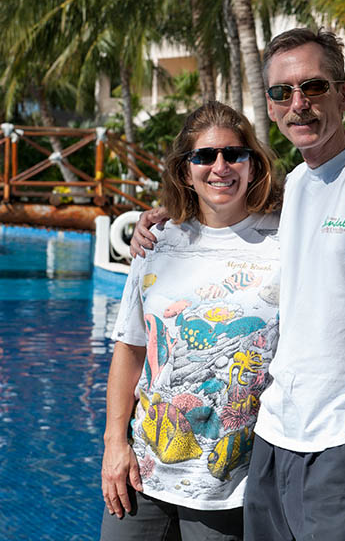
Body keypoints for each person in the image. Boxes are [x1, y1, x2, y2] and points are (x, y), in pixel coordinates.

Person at [132, 28, 345, 541]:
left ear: (343, 95)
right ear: (272, 108)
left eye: (314, 87)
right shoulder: (298, 184)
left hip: (344, 437)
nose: (298, 104)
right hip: (273, 436)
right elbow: (230, 200)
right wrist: (171, 213)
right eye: (282, 92)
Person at [100, 101, 283, 541]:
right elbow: (130, 349)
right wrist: (113, 444)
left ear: (254, 164)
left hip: (231, 486)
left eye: (234, 154)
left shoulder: (285, 240)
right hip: (143, 473)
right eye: (204, 156)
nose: (220, 167)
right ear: (185, 171)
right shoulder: (158, 242)